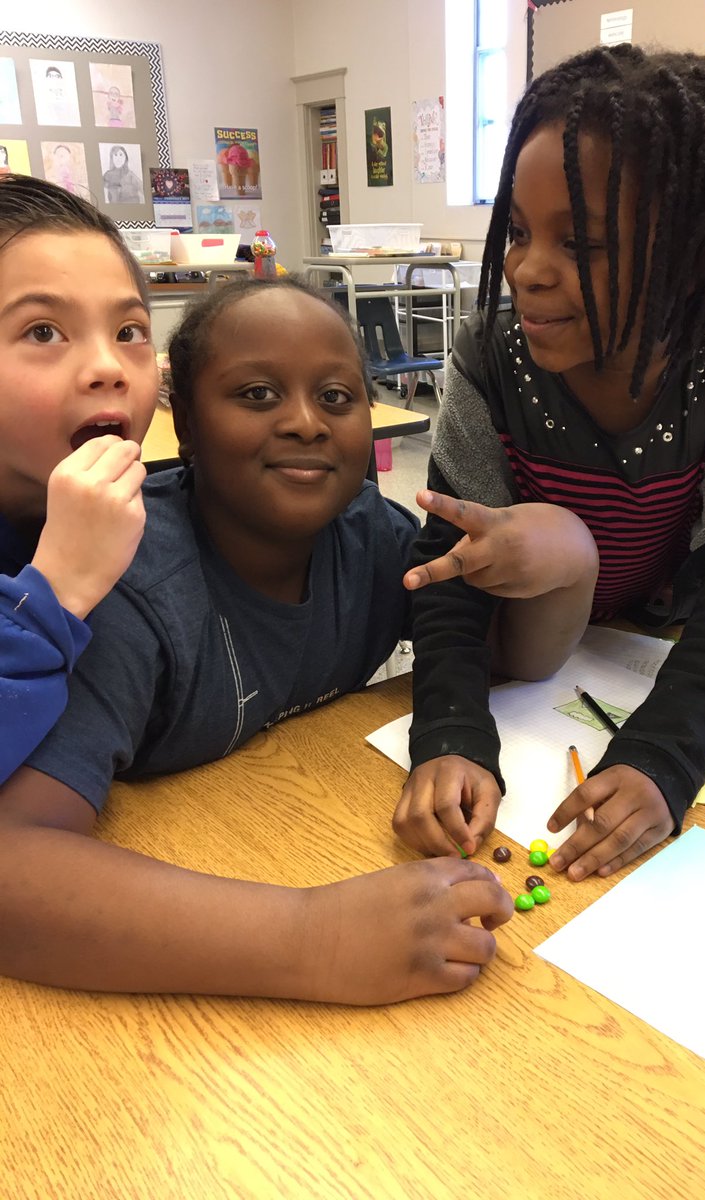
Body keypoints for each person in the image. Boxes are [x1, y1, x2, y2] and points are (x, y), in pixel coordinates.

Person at [0, 275, 522, 1005]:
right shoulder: (131, 583)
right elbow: (13, 870)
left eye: (337, 399)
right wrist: (314, 937)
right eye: (256, 395)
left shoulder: (370, 535)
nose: (307, 422)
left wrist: (570, 564)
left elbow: (504, 659)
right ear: (183, 423)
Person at [394, 44, 705, 882]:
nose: (527, 269)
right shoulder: (487, 361)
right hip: (530, 650)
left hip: (649, 650)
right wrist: (450, 735)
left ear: (694, 257)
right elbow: (447, 565)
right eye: (517, 231)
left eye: (581, 242)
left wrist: (665, 760)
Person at [0, 173, 157, 783]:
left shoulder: (135, 521)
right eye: (44, 332)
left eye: (129, 332)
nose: (107, 366)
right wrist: (58, 589)